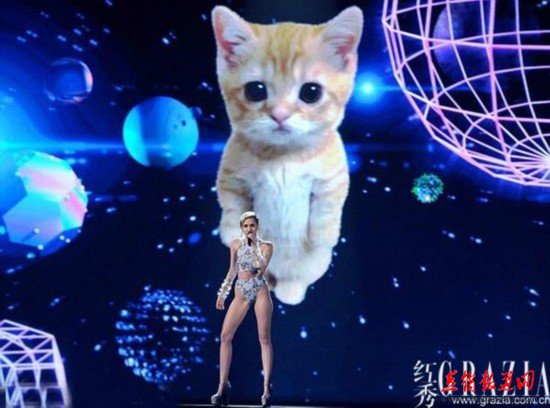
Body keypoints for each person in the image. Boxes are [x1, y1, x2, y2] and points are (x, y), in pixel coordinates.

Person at [211, 211, 274, 407]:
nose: (249, 229)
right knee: (225, 336)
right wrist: (223, 293)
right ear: (241, 227)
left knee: (263, 338)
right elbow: (232, 270)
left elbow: (260, 268)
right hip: (240, 292)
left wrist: (253, 245)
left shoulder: (266, 246)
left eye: (252, 225)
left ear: (257, 227)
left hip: (259, 290)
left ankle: (266, 389)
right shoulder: (235, 245)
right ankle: (222, 387)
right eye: (245, 226)